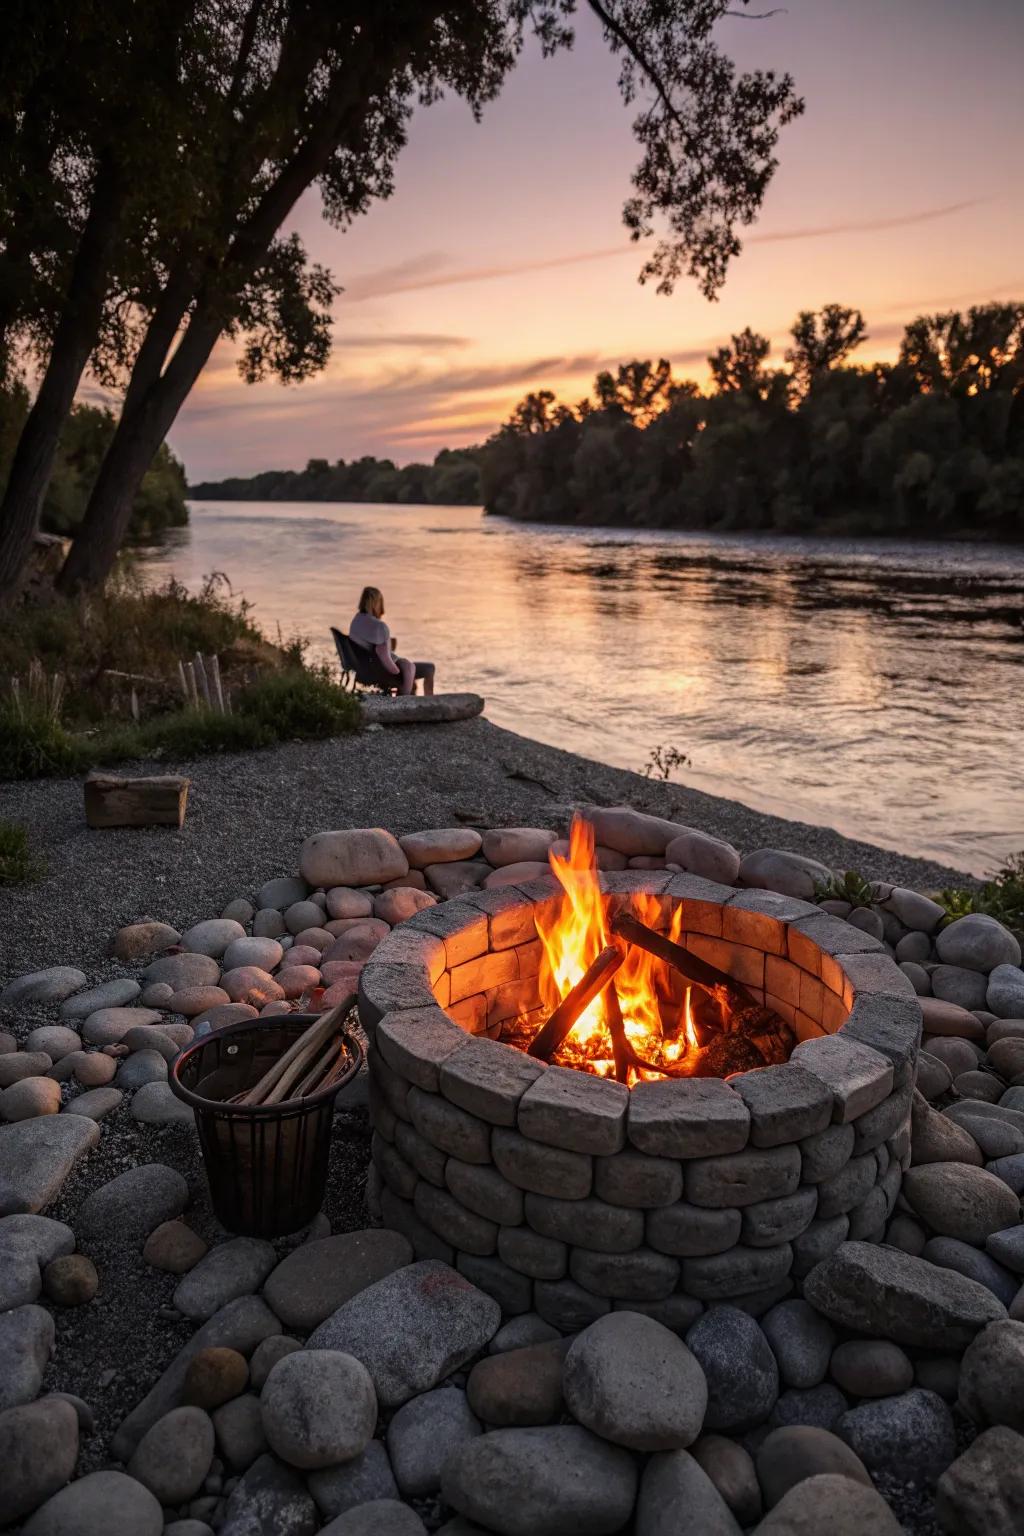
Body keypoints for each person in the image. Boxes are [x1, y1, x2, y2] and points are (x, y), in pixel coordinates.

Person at [349, 586, 435, 696]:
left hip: (364, 670)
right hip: (382, 673)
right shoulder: (380, 627)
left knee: (408, 671)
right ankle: (429, 701)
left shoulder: (355, 622)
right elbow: (385, 659)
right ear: (377, 604)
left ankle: (411, 693)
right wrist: (399, 671)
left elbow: (373, 648)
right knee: (429, 668)